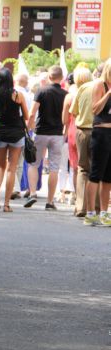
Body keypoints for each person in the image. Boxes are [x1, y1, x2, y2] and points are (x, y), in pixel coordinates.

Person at [26, 66, 68, 210]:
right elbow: (68, 116)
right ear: (61, 78)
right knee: (54, 168)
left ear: (49, 77)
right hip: (57, 134)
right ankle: (50, 202)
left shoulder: (41, 91)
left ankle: (32, 193)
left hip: (41, 131)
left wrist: (29, 128)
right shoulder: (65, 94)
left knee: (33, 163)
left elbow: (32, 113)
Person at [0, 67, 29, 212]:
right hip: (15, 133)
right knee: (11, 168)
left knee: (0, 165)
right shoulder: (18, 95)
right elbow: (26, 115)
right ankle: (6, 204)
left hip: (0, 132)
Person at [83, 59, 111, 226]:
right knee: (96, 174)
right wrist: (108, 94)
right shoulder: (100, 85)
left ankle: (105, 213)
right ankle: (90, 212)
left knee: (108, 177)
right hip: (101, 132)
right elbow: (95, 109)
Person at [69, 66, 95, 217]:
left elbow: (73, 112)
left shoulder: (82, 89)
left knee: (82, 169)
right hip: (101, 130)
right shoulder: (103, 87)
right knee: (98, 170)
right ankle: (96, 207)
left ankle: (81, 207)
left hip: (83, 131)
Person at [58, 73, 78, 205]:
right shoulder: (86, 94)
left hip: (68, 133)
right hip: (82, 132)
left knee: (62, 166)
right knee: (74, 167)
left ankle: (62, 193)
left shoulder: (68, 96)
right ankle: (73, 193)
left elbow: (64, 120)